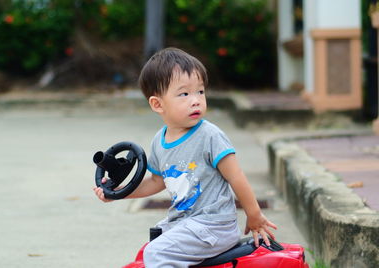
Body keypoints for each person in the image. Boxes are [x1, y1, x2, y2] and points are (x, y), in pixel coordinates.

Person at [93, 47, 277, 267]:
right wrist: (117, 194)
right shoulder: (159, 141)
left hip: (213, 225)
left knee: (156, 254)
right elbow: (156, 182)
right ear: (157, 104)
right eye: (184, 94)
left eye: (200, 91)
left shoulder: (210, 135)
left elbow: (236, 176)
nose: (196, 100)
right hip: (186, 222)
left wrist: (254, 214)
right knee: (152, 244)